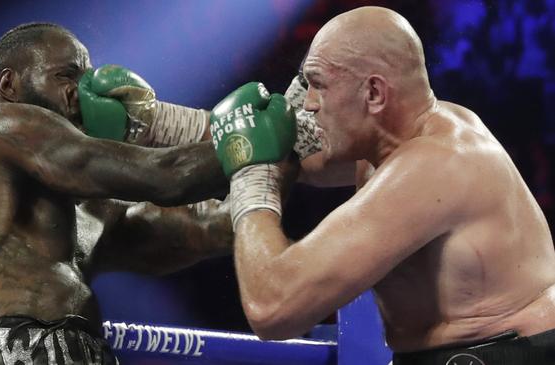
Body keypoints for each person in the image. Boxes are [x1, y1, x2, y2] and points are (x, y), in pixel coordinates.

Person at [212, 6, 555, 364]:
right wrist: (164, 123)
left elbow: (272, 306)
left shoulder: (435, 165)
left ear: (374, 93)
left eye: (318, 85)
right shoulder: (391, 139)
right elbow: (285, 153)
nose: (308, 103)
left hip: (509, 353)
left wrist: (250, 175)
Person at [0, 22, 234, 365]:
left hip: (83, 350)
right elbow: (165, 175)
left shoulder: (89, 204)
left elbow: (211, 226)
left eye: (86, 78)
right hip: (10, 349)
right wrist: (242, 134)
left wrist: (281, 160)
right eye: (66, 76)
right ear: (8, 84)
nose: (84, 92)